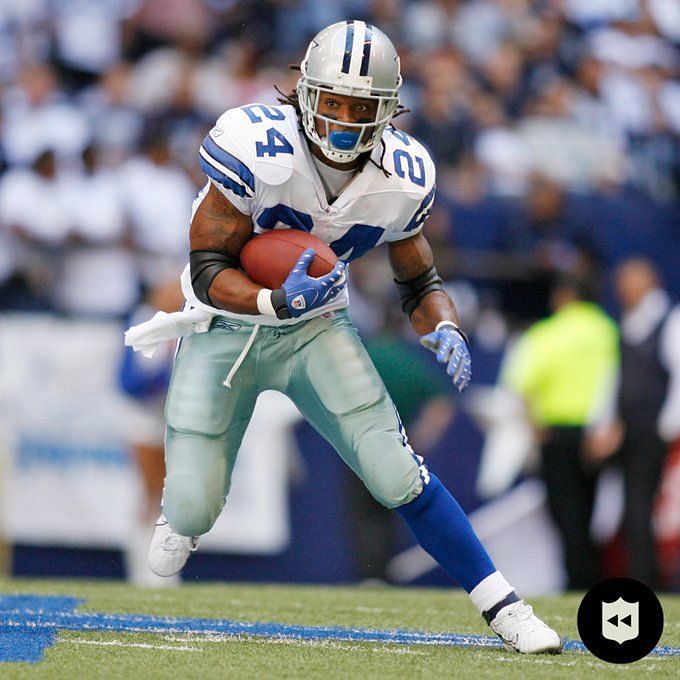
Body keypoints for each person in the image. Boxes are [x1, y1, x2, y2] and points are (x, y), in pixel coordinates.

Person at [128, 21, 561, 653]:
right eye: (333, 102)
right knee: (193, 509)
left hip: (316, 329)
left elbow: (418, 276)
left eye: (361, 108)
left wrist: (441, 322)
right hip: (227, 329)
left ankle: (504, 607)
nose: (344, 120)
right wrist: (272, 299)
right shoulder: (255, 144)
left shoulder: (402, 175)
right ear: (306, 93)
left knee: (398, 474)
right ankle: (183, 518)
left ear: (387, 112)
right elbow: (206, 266)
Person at [502, 274, 619, 590]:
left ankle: (578, 581)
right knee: (589, 512)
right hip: (600, 435)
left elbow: (520, 384)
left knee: (565, 513)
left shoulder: (546, 333)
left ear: (564, 297)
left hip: (558, 435)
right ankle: (589, 577)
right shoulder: (608, 331)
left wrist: (534, 427)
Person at [587, 259, 680, 588]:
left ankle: (651, 579)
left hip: (657, 431)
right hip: (630, 431)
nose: (622, 287)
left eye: (630, 280)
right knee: (632, 507)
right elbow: (615, 379)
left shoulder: (669, 320)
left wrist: (669, 425)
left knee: (650, 507)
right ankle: (641, 578)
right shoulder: (628, 322)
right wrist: (606, 423)